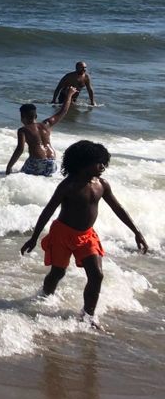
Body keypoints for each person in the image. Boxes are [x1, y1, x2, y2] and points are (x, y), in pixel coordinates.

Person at [21, 140, 149, 330]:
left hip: (87, 236)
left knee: (97, 275)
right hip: (62, 234)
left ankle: (88, 316)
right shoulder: (68, 185)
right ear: (84, 162)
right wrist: (34, 237)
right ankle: (45, 297)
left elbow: (118, 208)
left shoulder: (102, 184)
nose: (103, 167)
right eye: (99, 163)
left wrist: (136, 232)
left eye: (104, 162)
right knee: (58, 272)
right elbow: (47, 211)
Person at [8, 86, 77, 176]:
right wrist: (69, 95)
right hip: (52, 163)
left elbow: (20, 149)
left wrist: (9, 167)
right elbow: (63, 111)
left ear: (22, 117)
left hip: (37, 163)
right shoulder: (47, 124)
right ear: (36, 116)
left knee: (17, 175)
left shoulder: (23, 130)